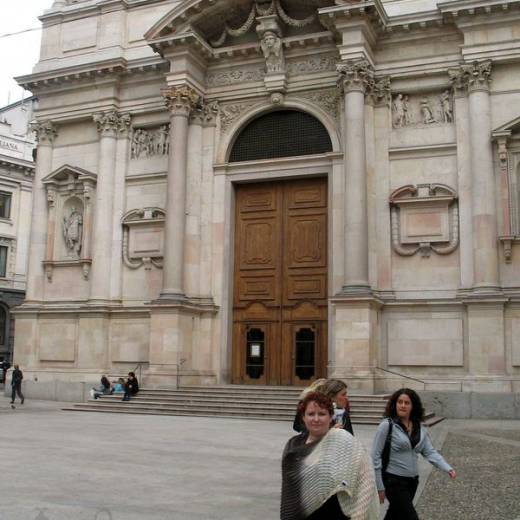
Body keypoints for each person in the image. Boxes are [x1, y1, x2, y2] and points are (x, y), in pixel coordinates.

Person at [281, 392, 379, 520]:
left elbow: (367, 478)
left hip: (337, 514)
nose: (316, 419)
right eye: (311, 414)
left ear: (331, 416)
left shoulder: (343, 440)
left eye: (322, 414)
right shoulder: (293, 447)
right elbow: (290, 494)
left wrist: (359, 515)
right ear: (303, 417)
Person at [371, 388, 456, 520]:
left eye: (407, 403)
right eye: (400, 402)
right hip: (393, 481)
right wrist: (380, 486)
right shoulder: (387, 425)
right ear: (395, 404)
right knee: (410, 517)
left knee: (394, 514)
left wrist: (447, 467)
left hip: (412, 482)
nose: (403, 405)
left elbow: (430, 452)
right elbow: (375, 457)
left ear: (413, 406)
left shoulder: (419, 428)